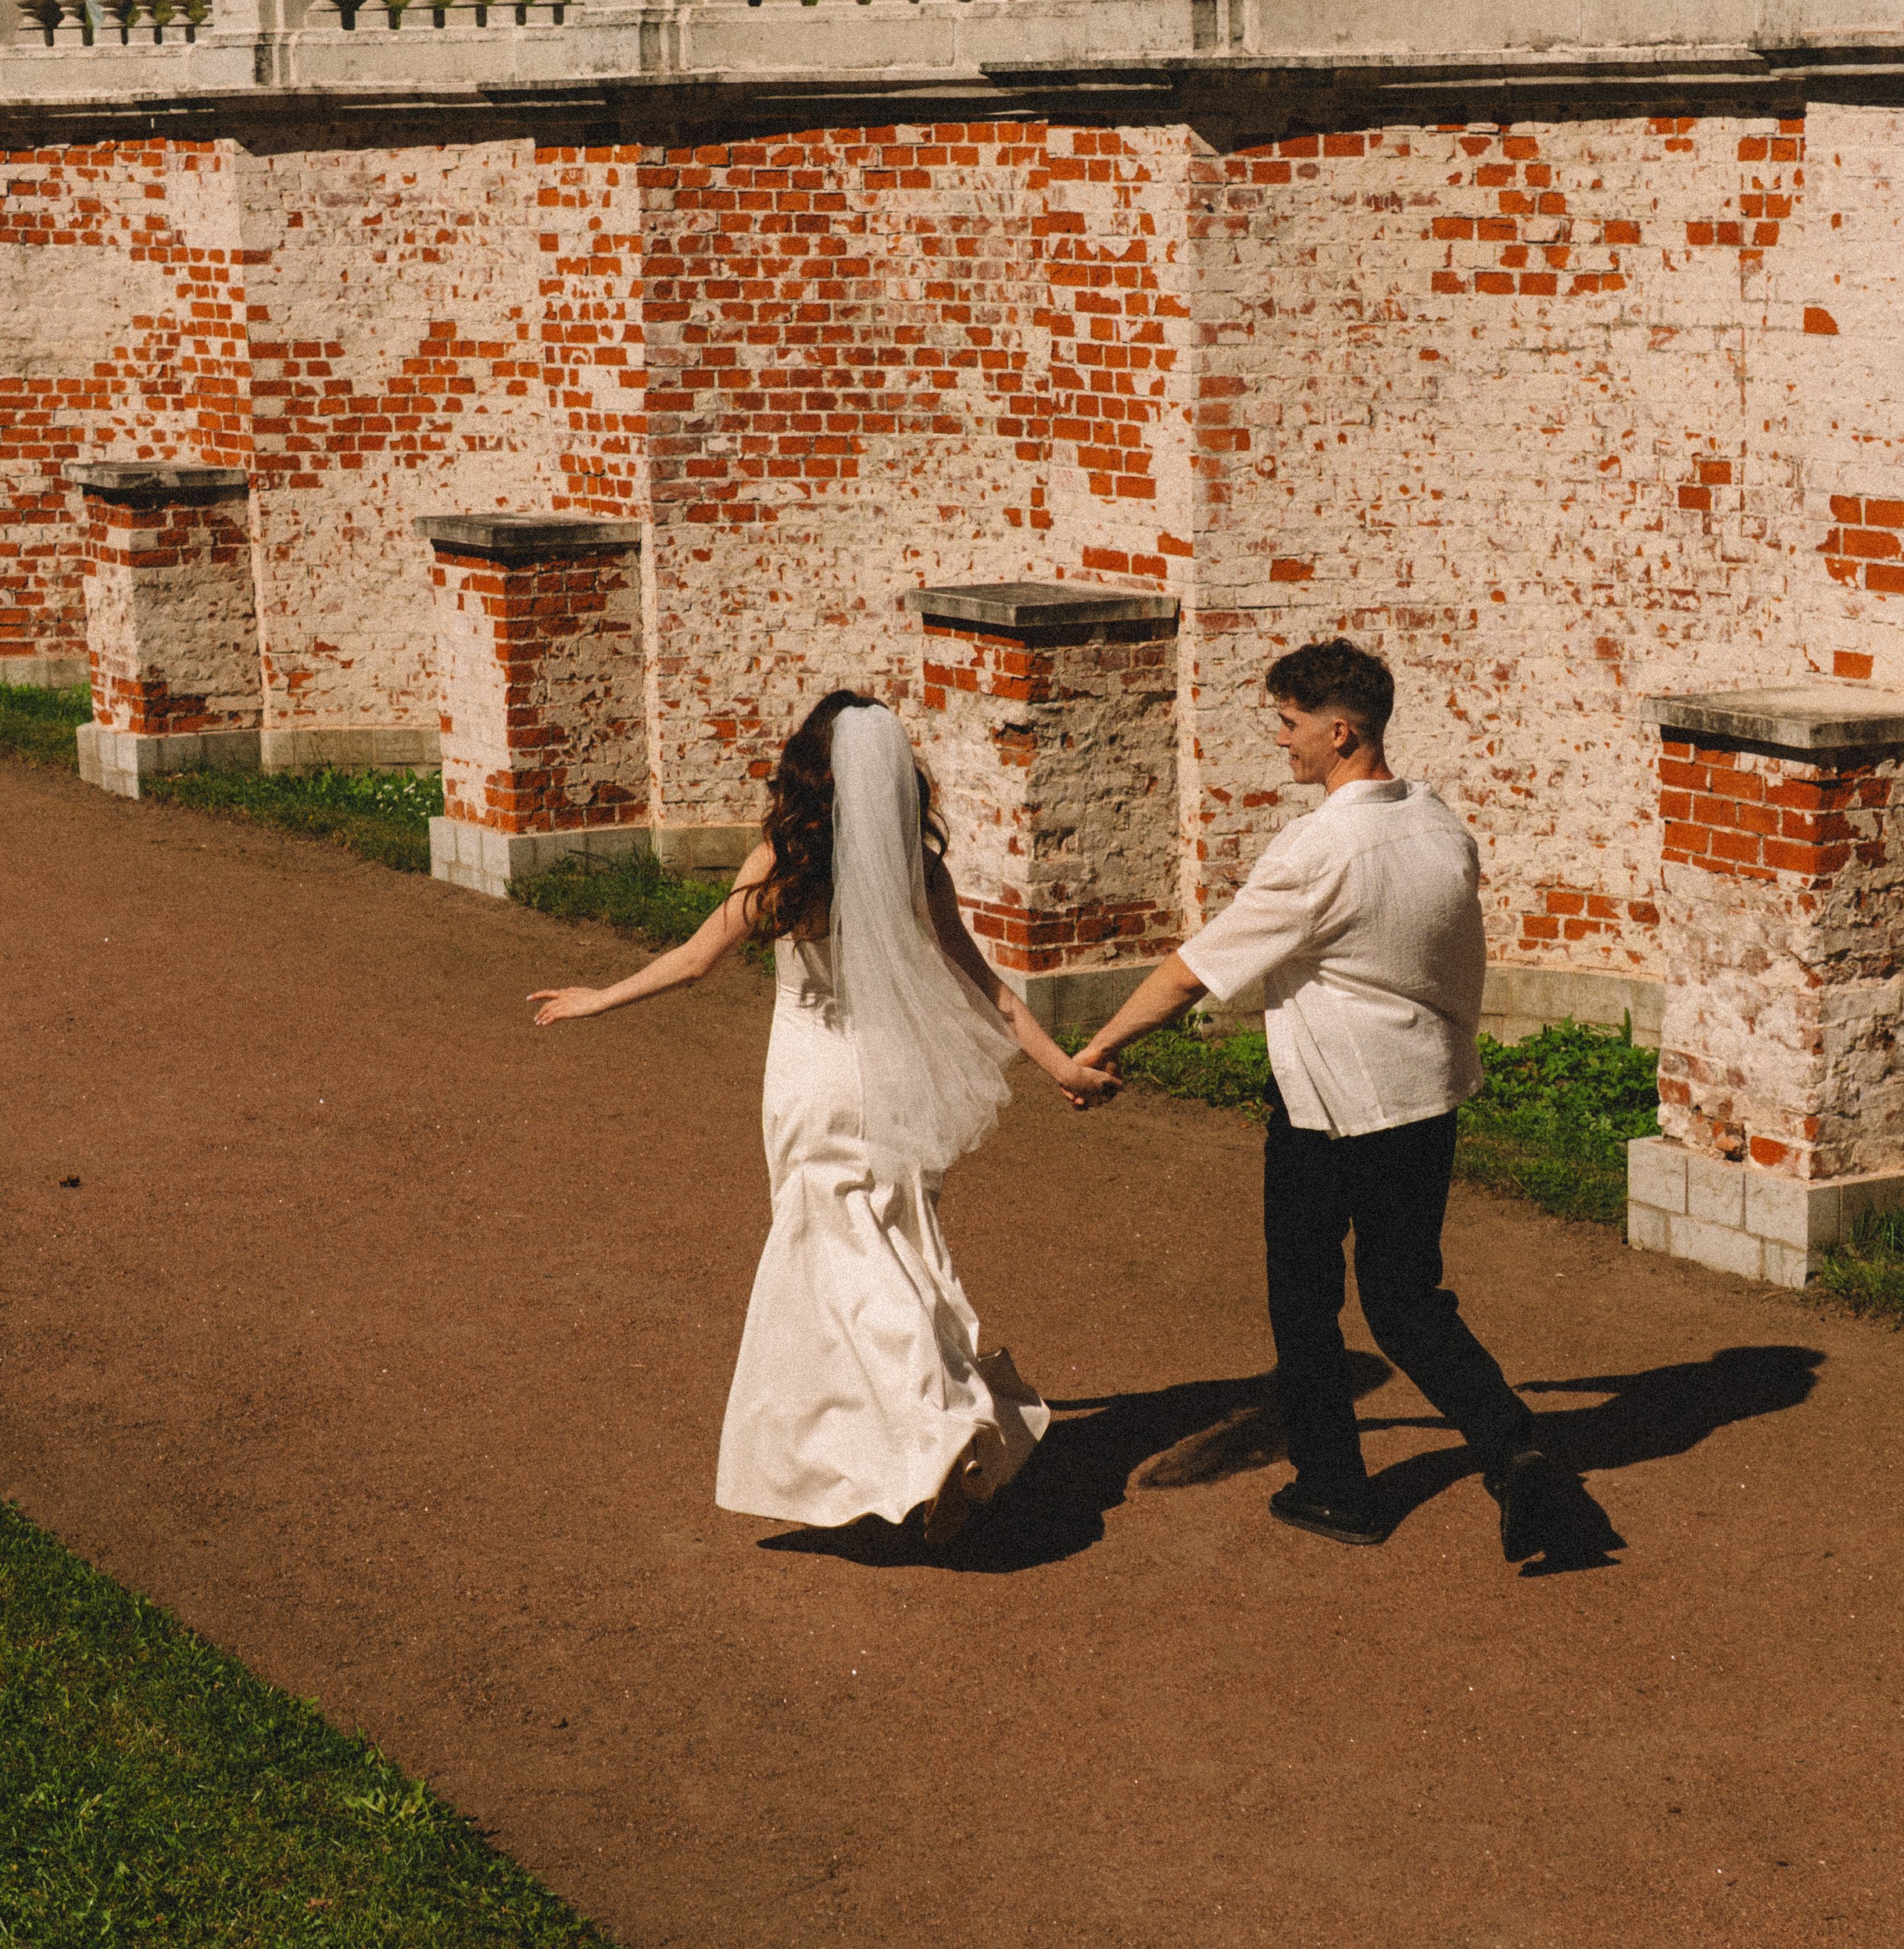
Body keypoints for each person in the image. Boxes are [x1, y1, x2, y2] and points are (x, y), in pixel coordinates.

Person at [529, 692, 1119, 1548]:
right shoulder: (918, 869)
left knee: (837, 1267)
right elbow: (982, 985)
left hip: (811, 1082)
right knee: (894, 1246)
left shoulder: (783, 862)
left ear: (808, 772)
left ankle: (936, 1426)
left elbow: (697, 962)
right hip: (890, 1079)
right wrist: (1060, 1064)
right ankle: (929, 1422)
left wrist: (598, 999)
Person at [1075, 639, 1552, 1563]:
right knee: (1408, 1300)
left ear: (1340, 732)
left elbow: (1190, 974)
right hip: (1430, 1093)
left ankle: (1337, 1487)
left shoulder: (1316, 849)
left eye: (1289, 725)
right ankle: (1516, 1447)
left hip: (1331, 1108)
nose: (1281, 742)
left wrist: (1096, 1046)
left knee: (1304, 1300)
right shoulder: (1437, 820)